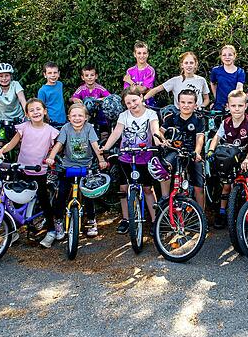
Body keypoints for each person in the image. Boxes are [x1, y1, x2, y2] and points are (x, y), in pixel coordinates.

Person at [0, 99, 60, 247]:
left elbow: (58, 147)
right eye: (32, 110)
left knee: (44, 202)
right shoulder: (23, 127)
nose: (36, 112)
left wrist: (51, 157)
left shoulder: (51, 131)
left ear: (44, 111)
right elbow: (11, 144)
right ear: (27, 114)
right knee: (16, 201)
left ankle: (51, 231)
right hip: (22, 169)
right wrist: (1, 151)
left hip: (39, 171)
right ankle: (13, 231)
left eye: (38, 109)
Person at [100, 85, 161, 234]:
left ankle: (155, 221)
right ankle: (126, 219)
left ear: (141, 98)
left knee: (147, 188)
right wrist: (106, 148)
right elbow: (116, 133)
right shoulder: (124, 116)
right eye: (128, 103)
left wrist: (158, 142)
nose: (132, 105)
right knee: (123, 188)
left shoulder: (151, 114)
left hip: (144, 156)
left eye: (134, 100)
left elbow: (154, 130)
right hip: (126, 156)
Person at [45, 102, 109, 240]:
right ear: (69, 117)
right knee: (61, 193)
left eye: (80, 115)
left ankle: (91, 220)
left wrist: (101, 160)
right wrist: (51, 157)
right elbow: (59, 144)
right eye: (74, 115)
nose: (77, 118)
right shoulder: (66, 128)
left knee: (88, 194)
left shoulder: (89, 128)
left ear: (86, 117)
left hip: (86, 166)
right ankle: (58, 221)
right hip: (68, 166)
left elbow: (95, 145)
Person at [207, 89, 248, 228]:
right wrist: (211, 150)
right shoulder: (225, 122)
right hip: (231, 158)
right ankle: (222, 212)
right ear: (228, 106)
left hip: (246, 157)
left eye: (240, 106)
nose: (236, 109)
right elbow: (217, 137)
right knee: (226, 186)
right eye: (233, 106)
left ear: (245, 106)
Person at [145, 51, 211, 108]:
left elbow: (206, 99)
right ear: (182, 65)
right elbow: (157, 89)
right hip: (179, 116)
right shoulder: (175, 80)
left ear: (196, 65)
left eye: (191, 63)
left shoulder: (201, 80)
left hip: (197, 116)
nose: (189, 65)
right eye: (186, 63)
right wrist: (143, 99)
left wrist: (201, 107)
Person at [210, 45, 246, 111]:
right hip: (219, 106)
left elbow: (239, 89)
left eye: (230, 55)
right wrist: (216, 97)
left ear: (234, 56)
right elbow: (213, 83)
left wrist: (231, 103)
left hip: (233, 107)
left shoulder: (240, 71)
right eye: (224, 55)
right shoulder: (215, 70)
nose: (227, 57)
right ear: (221, 57)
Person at [123, 41, 156, 108]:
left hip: (147, 103)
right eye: (139, 53)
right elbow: (127, 91)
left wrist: (130, 81)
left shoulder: (150, 70)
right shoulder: (130, 71)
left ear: (147, 54)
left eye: (144, 53)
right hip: (132, 104)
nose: (142, 56)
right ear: (134, 54)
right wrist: (145, 90)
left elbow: (143, 89)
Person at [37, 62, 67, 127]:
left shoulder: (60, 84)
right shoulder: (42, 91)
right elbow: (41, 108)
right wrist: (48, 120)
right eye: (49, 73)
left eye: (55, 72)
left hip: (63, 119)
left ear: (59, 74)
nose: (53, 75)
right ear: (45, 75)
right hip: (51, 122)